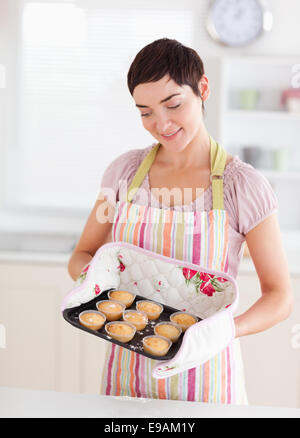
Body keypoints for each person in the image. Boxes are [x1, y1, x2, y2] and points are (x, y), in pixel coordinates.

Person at [68, 38, 293, 404]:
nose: (162, 123)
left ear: (202, 88)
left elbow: (280, 297)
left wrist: (225, 332)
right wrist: (99, 283)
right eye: (145, 112)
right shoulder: (124, 173)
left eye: (173, 104)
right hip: (126, 379)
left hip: (206, 382)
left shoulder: (243, 186)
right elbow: (82, 254)